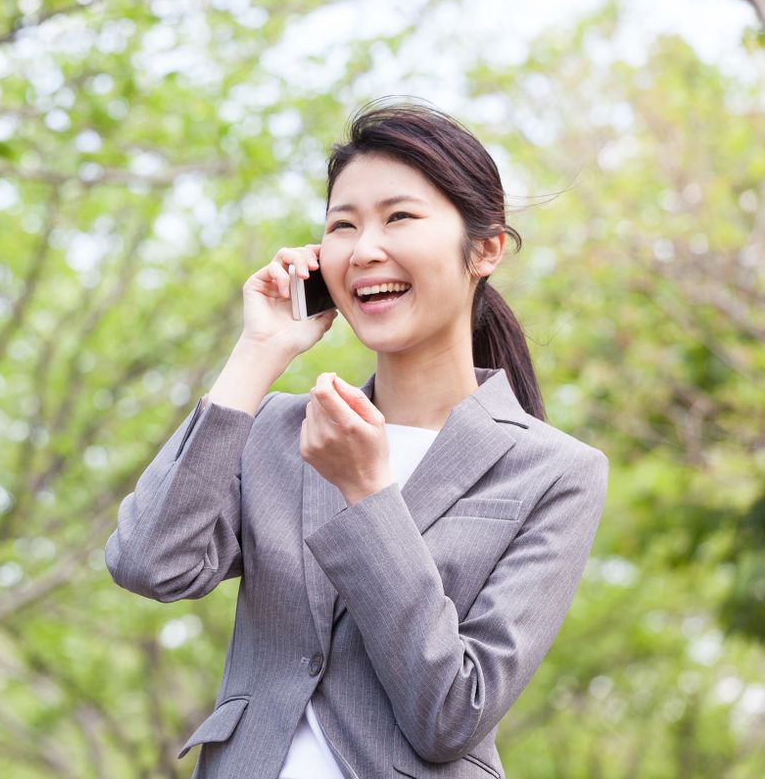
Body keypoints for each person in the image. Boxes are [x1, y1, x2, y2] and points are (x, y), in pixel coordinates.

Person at [105, 99, 609, 779]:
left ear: (485, 248)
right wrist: (258, 354)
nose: (365, 249)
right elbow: (149, 563)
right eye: (342, 225)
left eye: (399, 217)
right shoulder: (283, 432)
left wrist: (368, 494)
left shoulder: (553, 471)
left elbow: (452, 715)